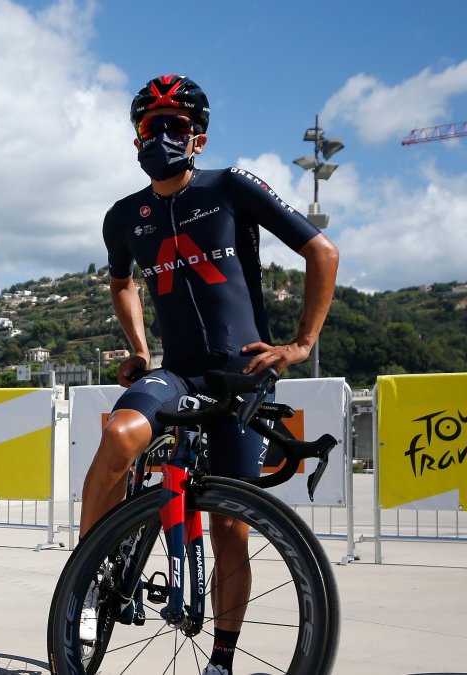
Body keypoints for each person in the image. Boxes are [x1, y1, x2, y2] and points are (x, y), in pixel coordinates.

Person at [79, 75, 340, 675]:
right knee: (119, 435)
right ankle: (89, 578)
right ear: (136, 135)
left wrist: (300, 345)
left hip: (244, 373)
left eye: (174, 126)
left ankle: (220, 660)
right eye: (150, 126)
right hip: (178, 371)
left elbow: (321, 252)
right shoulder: (124, 216)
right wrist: (139, 349)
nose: (161, 136)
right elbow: (122, 283)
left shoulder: (230, 186)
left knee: (229, 525)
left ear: (197, 137)